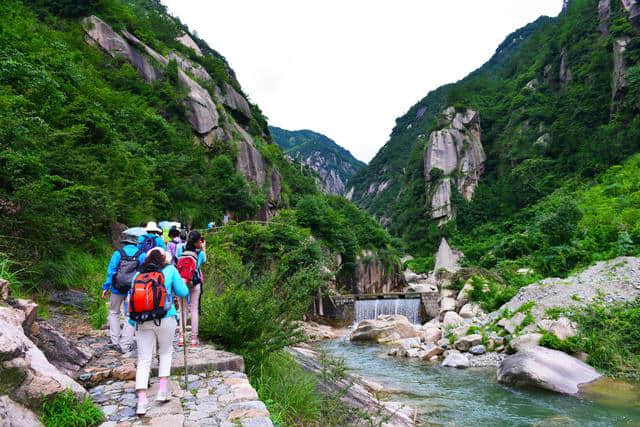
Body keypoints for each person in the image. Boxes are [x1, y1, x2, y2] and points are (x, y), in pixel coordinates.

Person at [129, 248, 188, 415]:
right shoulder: (170, 270)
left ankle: (141, 401)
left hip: (142, 321)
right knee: (165, 352)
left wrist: (134, 322)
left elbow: (131, 301)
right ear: (164, 258)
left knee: (144, 358)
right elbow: (183, 292)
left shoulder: (137, 275)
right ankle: (162, 391)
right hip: (166, 318)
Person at [102, 235, 146, 353]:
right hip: (133, 289)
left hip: (117, 288)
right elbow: (144, 272)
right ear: (136, 243)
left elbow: (111, 271)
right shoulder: (141, 255)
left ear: (125, 243)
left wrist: (106, 287)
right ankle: (125, 344)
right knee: (129, 315)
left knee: (113, 312)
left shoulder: (118, 254)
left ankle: (115, 340)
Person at [176, 230, 206, 347]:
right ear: (198, 241)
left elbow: (177, 262)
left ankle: (181, 339)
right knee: (194, 310)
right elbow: (203, 261)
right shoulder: (200, 253)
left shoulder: (181, 250)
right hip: (195, 282)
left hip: (182, 282)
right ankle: (194, 339)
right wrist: (203, 248)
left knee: (182, 310)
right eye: (200, 240)